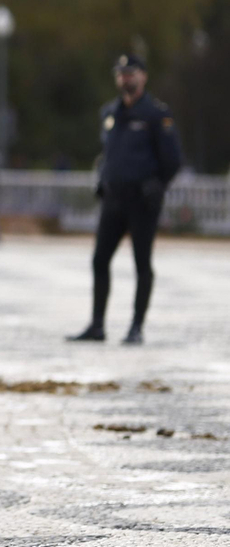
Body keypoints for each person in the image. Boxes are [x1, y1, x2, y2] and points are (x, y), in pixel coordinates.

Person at [67, 53, 182, 345]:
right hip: (114, 199)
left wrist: (158, 185)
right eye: (121, 73)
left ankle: (136, 327)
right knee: (99, 260)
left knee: (142, 263)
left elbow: (172, 160)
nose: (125, 78)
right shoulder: (110, 112)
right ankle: (97, 326)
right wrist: (103, 179)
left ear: (143, 76)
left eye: (130, 73)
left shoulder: (156, 114)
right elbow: (108, 153)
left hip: (142, 201)